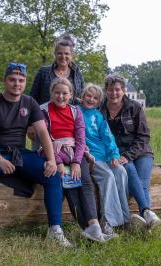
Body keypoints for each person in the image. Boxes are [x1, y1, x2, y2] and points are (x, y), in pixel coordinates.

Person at [0, 62, 72, 249]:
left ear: (25, 82)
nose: (17, 84)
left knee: (53, 175)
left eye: (21, 80)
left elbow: (43, 133)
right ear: (5, 81)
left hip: (19, 153)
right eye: (12, 80)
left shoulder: (29, 103)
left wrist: (51, 159)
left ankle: (55, 229)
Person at [39, 77, 108, 242]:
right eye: (57, 93)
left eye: (64, 93)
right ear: (51, 93)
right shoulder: (43, 110)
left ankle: (95, 225)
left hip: (74, 151)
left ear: (71, 95)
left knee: (84, 180)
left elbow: (80, 138)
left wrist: (77, 162)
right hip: (52, 151)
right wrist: (58, 162)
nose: (60, 96)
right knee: (69, 185)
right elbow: (45, 138)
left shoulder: (76, 112)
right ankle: (85, 227)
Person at [100, 73, 161, 230]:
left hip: (141, 152)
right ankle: (147, 214)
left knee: (142, 183)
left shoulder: (134, 107)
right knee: (129, 170)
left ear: (124, 90)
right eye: (111, 90)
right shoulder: (100, 109)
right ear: (106, 90)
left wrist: (129, 155)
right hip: (117, 153)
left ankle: (145, 214)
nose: (114, 93)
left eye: (118, 90)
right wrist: (122, 156)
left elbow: (144, 136)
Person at [78, 83, 131, 237]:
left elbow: (108, 137)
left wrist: (114, 155)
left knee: (121, 172)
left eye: (95, 98)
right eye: (88, 95)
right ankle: (108, 221)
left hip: (105, 155)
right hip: (91, 157)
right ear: (82, 96)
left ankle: (124, 218)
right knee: (107, 176)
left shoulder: (98, 116)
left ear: (98, 101)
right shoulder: (76, 112)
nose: (91, 99)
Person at [28, 34, 84, 150]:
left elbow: (80, 100)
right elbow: (32, 99)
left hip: (68, 128)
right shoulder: (43, 72)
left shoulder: (77, 75)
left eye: (67, 53)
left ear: (72, 55)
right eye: (60, 53)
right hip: (43, 124)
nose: (63, 56)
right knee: (41, 160)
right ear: (55, 54)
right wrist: (30, 125)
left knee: (68, 159)